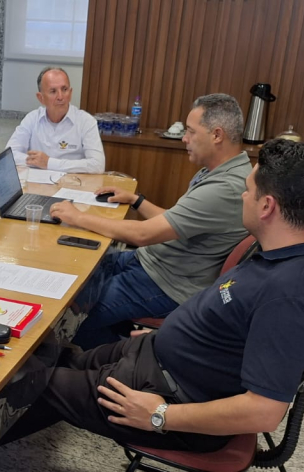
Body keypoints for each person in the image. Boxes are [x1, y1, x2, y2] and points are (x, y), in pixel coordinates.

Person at [3, 139, 304, 453]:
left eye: (248, 191)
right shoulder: (289, 252)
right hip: (159, 356)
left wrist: (160, 415)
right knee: (50, 356)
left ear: (267, 206)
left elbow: (264, 411)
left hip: (168, 394)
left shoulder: (290, 296)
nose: (242, 196)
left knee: (30, 382)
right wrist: (172, 334)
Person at [51, 93, 252, 349]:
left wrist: (78, 217)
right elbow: (175, 221)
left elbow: (143, 235)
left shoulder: (224, 188)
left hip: (167, 283)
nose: (184, 138)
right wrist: (136, 200)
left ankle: (106, 360)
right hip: (154, 262)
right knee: (82, 270)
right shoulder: (220, 171)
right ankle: (110, 342)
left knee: (74, 315)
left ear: (217, 135)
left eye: (191, 131)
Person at [5, 67, 105, 174]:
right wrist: (37, 161)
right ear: (41, 98)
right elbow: (8, 156)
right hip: (37, 182)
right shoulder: (32, 119)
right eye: (53, 91)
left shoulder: (86, 121)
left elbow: (98, 165)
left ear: (70, 93)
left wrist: (49, 163)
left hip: (71, 182)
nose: (60, 97)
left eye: (64, 89)